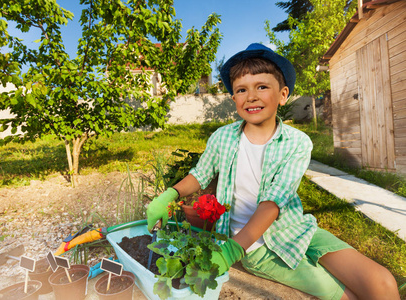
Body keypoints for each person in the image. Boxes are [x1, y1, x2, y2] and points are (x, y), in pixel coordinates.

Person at [146, 43, 400, 300]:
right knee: (348, 296)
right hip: (258, 248)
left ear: (283, 94)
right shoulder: (222, 138)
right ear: (234, 99)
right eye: (242, 90)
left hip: (296, 229)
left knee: (382, 284)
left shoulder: (298, 143)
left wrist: (230, 252)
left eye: (262, 87)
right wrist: (170, 194)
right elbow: (200, 175)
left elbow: (273, 202)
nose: (251, 96)